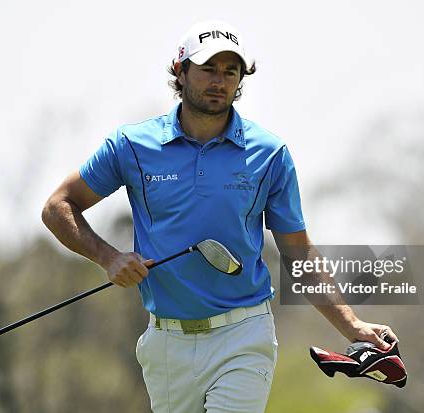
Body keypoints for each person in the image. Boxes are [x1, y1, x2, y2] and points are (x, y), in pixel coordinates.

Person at [42, 20, 398, 413]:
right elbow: (58, 206)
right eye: (209, 69)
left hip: (243, 335)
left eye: (231, 72)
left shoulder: (269, 154)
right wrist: (108, 257)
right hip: (166, 344)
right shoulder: (132, 146)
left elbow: (298, 253)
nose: (220, 81)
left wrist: (353, 326)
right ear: (180, 70)